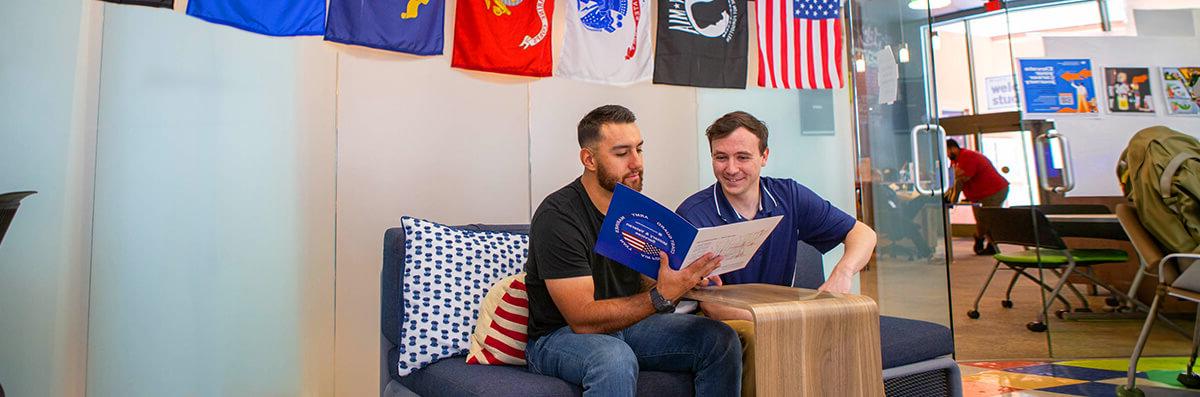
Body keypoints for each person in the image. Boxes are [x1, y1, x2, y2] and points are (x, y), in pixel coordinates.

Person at [523, 105, 742, 397]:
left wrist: (685, 280)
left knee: (720, 339)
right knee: (613, 358)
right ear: (589, 159)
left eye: (639, 149)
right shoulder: (558, 216)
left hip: (627, 325)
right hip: (559, 337)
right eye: (622, 153)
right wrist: (661, 296)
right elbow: (582, 318)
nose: (636, 163)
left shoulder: (634, 208)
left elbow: (641, 281)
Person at [674, 111, 878, 397]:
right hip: (724, 323)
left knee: (849, 326)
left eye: (743, 157)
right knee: (768, 339)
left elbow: (864, 234)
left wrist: (842, 273)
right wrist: (785, 320)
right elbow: (713, 308)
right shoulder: (694, 214)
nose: (731, 168)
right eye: (721, 157)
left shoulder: (788, 196)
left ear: (764, 156)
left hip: (779, 315)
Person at [945, 139, 1009, 255]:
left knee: (988, 218)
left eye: (947, 151)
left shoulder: (967, 156)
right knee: (980, 218)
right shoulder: (956, 160)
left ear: (953, 148)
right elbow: (954, 178)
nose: (947, 154)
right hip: (979, 194)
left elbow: (961, 179)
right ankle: (981, 240)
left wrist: (951, 200)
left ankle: (991, 245)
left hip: (993, 191)